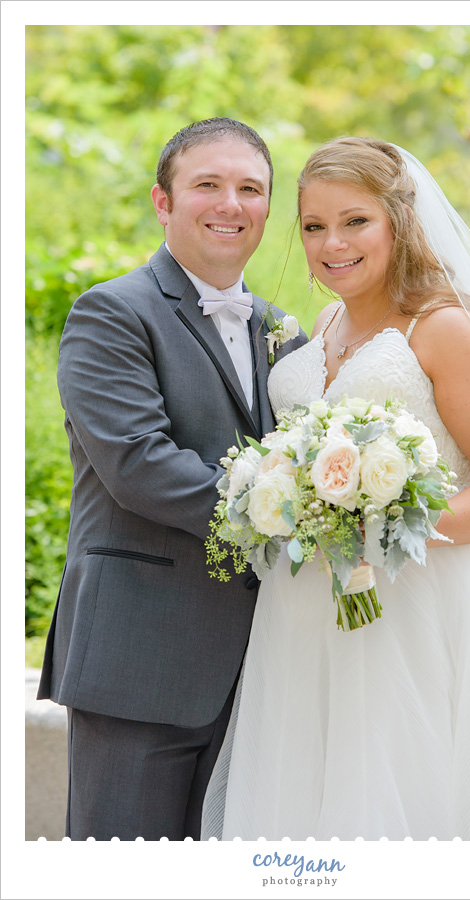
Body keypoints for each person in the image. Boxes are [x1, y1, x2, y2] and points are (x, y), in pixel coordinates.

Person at [201, 137, 470, 840]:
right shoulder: (326, 326)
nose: (330, 243)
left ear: (398, 222)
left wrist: (385, 528)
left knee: (407, 791)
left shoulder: (447, 327)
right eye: (313, 226)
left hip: (423, 605)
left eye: (354, 221)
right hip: (310, 609)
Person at [36, 117, 307, 841]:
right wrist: (295, 516)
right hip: (141, 657)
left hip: (261, 667)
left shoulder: (286, 332)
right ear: (163, 201)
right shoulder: (112, 313)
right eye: (208, 184)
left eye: (251, 188)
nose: (231, 203)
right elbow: (138, 464)